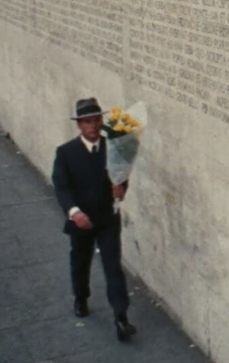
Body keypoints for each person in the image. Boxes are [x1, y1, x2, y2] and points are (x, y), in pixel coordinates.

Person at [52, 98, 137, 342]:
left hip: (107, 218)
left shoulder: (114, 148)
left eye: (97, 121)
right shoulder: (66, 152)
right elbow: (61, 187)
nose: (93, 126)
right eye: (87, 122)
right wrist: (74, 213)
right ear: (79, 124)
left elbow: (121, 178)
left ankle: (121, 318)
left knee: (113, 268)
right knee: (81, 262)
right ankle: (81, 297)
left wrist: (121, 189)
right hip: (81, 220)